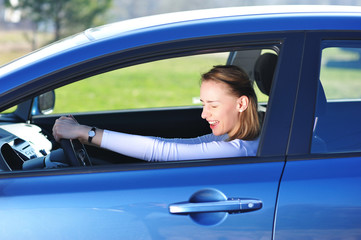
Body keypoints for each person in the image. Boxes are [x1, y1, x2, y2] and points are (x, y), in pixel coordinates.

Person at [24, 65, 260, 169]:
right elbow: (175, 145)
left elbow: (162, 152)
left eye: (213, 106)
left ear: (241, 103)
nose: (203, 114)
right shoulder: (232, 139)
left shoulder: (240, 150)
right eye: (203, 104)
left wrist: (87, 133)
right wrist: (88, 136)